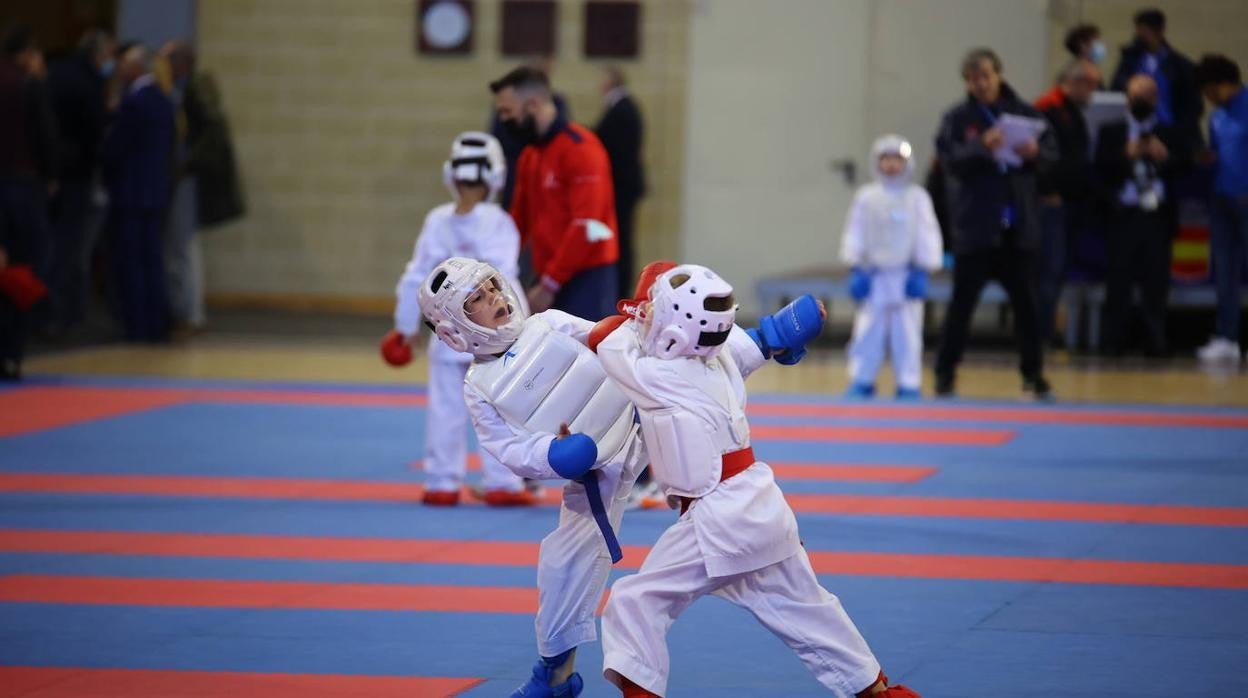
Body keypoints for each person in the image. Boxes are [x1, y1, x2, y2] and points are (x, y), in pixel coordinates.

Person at [593, 264, 918, 698]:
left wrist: (632, 315)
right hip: (762, 508)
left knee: (635, 602)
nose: (646, 313)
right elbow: (757, 344)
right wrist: (776, 335)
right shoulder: (721, 356)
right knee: (807, 609)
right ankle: (876, 691)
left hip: (716, 519)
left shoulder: (658, 376)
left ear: (676, 325)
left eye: (654, 308)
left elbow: (606, 339)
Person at [418, 256, 650, 698]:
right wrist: (554, 455)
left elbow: (605, 340)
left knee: (713, 464)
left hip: (645, 423)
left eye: (492, 287)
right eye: (477, 300)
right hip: (593, 470)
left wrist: (622, 329)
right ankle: (555, 676)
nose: (495, 299)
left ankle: (759, 341)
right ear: (453, 330)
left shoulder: (549, 322)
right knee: (563, 567)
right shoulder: (480, 386)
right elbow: (508, 449)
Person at [384, 132, 534, 506]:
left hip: (447, 335)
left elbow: (415, 277)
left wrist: (405, 329)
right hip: (490, 339)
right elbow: (504, 282)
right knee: (497, 408)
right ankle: (503, 482)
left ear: (451, 174)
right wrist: (524, 330)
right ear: (495, 177)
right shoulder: (498, 221)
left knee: (445, 409)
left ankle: (441, 483)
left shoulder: (437, 220)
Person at [933, 48, 1057, 400]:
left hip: (1018, 229)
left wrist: (1036, 154)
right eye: (973, 79)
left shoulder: (1026, 114)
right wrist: (979, 146)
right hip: (976, 229)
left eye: (986, 75)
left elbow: (1053, 159)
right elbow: (949, 161)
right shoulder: (958, 119)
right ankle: (945, 374)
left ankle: (1033, 376)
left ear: (999, 75)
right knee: (961, 308)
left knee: (1027, 308)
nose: (981, 83)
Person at [490, 66, 619, 320]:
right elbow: (519, 219)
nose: (503, 121)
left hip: (587, 276)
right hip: (548, 272)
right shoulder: (530, 155)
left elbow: (588, 226)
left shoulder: (581, 148)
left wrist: (550, 283)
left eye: (508, 112)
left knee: (587, 355)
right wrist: (496, 267)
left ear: (533, 105)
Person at [841, 135, 943, 398]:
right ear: (877, 162)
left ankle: (909, 383)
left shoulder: (917, 197)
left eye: (897, 158)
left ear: (906, 162)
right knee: (867, 333)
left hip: (906, 276)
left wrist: (923, 269)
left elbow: (927, 233)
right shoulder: (866, 197)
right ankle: (862, 379)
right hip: (874, 277)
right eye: (886, 158)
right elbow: (855, 231)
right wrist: (856, 266)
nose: (891, 165)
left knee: (907, 335)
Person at [1096, 74, 1186, 356]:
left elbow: (1186, 166)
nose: (1142, 100)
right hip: (1125, 214)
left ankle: (1155, 341)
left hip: (1157, 216)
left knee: (1156, 282)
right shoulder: (1112, 131)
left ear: (1156, 99)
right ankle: (1113, 342)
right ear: (1127, 98)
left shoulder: (1168, 132)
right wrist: (1127, 155)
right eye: (1137, 95)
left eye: (1148, 95)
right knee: (1119, 280)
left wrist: (1166, 157)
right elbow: (1100, 171)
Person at [101, 42, 175, 343]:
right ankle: (157, 323)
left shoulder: (134, 101)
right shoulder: (163, 100)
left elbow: (117, 147)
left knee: (132, 261)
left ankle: (138, 325)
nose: (120, 69)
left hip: (132, 192)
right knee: (152, 260)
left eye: (125, 64)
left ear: (137, 67)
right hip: (155, 192)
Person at [46, 29, 113, 335]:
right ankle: (64, 315)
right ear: (96, 55)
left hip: (54, 173)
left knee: (57, 247)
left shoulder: (56, 75)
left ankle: (51, 312)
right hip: (77, 174)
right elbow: (94, 130)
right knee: (72, 250)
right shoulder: (88, 84)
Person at [0, 23, 58, 380]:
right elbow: (46, 140)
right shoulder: (29, 87)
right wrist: (51, 177)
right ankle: (11, 353)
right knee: (20, 273)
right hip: (22, 188)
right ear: (27, 55)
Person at [1034, 59, 1101, 345]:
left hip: (1069, 202)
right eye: (1091, 86)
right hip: (1051, 205)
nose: (1093, 93)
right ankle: (1039, 334)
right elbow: (1040, 156)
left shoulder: (1072, 111)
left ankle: (1045, 329)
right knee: (1048, 271)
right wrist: (1048, 191)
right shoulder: (1049, 109)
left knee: (1057, 271)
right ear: (1075, 82)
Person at [1195, 54, 1248, 363]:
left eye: (1210, 90)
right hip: (1222, 199)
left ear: (1225, 83)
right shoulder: (1216, 118)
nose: (1208, 97)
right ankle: (1228, 337)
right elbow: (1215, 151)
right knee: (1225, 270)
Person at [1110, 8, 1203, 153]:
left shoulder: (1180, 65)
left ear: (1158, 32)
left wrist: (1183, 132)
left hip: (1170, 129)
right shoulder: (1130, 61)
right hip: (1136, 128)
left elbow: (1192, 104)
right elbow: (1116, 87)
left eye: (1145, 32)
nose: (1140, 37)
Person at [594, 66, 646, 298]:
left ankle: (621, 294)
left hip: (621, 188)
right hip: (623, 187)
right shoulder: (622, 107)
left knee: (622, 244)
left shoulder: (622, 109)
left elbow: (607, 141)